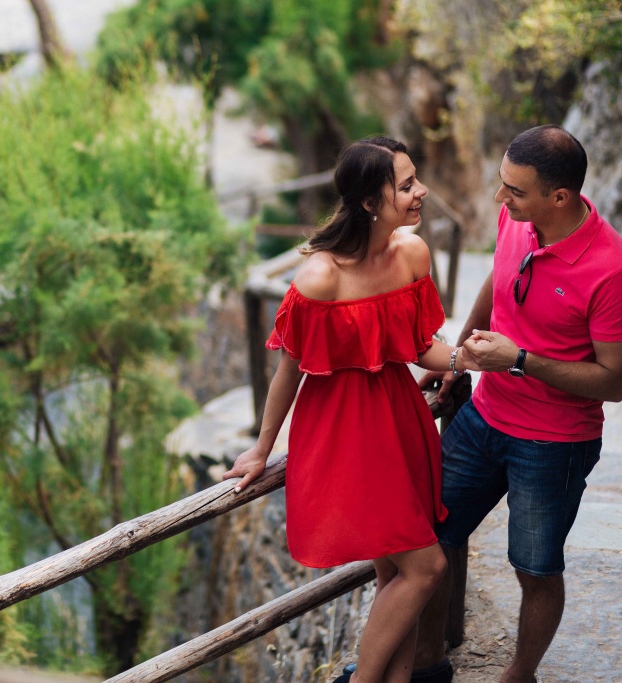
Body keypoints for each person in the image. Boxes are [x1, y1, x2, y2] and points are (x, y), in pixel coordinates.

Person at [223, 136, 478, 683]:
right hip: (345, 433)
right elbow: (288, 370)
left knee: (396, 574)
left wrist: (465, 358)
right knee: (426, 566)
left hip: (400, 416)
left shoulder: (412, 253)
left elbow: (420, 346)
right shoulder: (321, 277)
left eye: (416, 179)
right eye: (406, 185)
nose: (421, 191)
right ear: (368, 202)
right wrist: (262, 449)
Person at [400, 124, 622, 683]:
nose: (500, 198)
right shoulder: (517, 219)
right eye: (502, 183)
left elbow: (615, 382)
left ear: (559, 197)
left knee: (535, 569)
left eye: (514, 190)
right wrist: (458, 358)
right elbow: (498, 278)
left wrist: (519, 360)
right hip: (484, 417)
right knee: (429, 534)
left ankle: (519, 675)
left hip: (554, 444)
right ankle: (427, 663)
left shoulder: (611, 269)